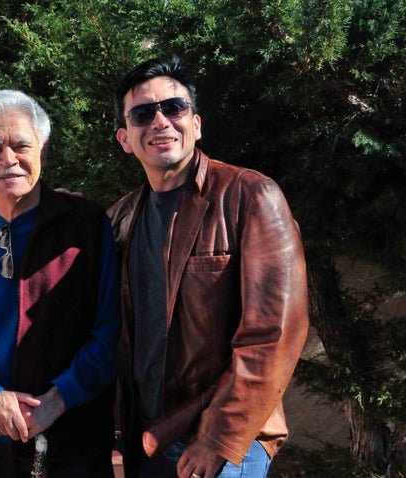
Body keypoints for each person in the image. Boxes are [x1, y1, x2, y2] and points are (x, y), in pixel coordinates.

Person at [108, 56, 309, 478]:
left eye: (175, 108)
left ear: (196, 124)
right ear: (125, 139)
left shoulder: (251, 196)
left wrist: (216, 439)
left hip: (225, 441)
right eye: (144, 114)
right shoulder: (121, 219)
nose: (161, 121)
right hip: (148, 439)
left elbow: (273, 335)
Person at [0, 89, 120, 478]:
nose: (8, 160)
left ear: (43, 152)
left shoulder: (84, 226)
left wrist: (59, 398)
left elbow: (110, 330)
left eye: (21, 145)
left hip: (72, 445)